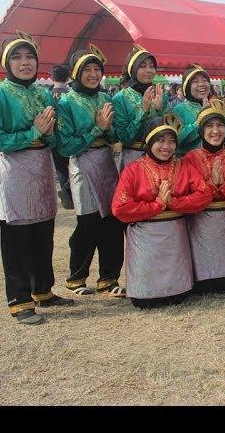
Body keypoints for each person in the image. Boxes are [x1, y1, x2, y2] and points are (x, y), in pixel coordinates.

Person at [0, 31, 74, 325]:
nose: (25, 63)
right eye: (17, 57)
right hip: (15, 171)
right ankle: (19, 301)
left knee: (43, 232)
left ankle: (43, 290)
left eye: (30, 56)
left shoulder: (43, 93)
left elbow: (55, 132)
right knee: (17, 236)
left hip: (42, 168)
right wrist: (34, 132)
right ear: (8, 63)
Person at [112, 116, 213, 308]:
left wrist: (173, 202)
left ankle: (179, 288)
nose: (167, 146)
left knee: (178, 294)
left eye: (172, 141)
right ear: (149, 141)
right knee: (145, 299)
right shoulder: (133, 169)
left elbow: (204, 194)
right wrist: (156, 205)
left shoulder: (184, 166)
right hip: (145, 238)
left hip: (175, 235)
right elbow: (120, 208)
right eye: (161, 140)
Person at [56, 44, 126, 297]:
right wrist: (97, 129)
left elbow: (116, 134)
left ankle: (109, 278)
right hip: (82, 164)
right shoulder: (66, 103)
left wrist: (107, 130)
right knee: (87, 222)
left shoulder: (106, 98)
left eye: (97, 69)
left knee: (111, 222)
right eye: (87, 69)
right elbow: (65, 145)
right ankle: (77, 278)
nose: (93, 74)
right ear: (76, 72)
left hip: (106, 162)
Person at [183, 99, 225, 294]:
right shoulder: (190, 158)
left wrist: (223, 185)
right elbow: (187, 193)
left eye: (220, 125)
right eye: (209, 126)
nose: (215, 131)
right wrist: (212, 185)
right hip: (199, 219)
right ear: (201, 131)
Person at [112, 44, 170, 170]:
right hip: (132, 158)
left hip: (159, 157)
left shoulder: (161, 95)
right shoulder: (120, 98)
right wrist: (143, 110)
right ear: (132, 70)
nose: (149, 70)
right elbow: (125, 138)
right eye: (143, 66)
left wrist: (160, 110)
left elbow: (170, 132)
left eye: (152, 66)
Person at [172, 65, 225, 155]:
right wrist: (201, 118)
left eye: (204, 80)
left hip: (218, 160)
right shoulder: (179, 109)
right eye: (195, 81)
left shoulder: (219, 106)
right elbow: (177, 139)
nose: (201, 84)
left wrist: (222, 122)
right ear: (187, 87)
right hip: (189, 163)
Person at [49, 64, 74, 209]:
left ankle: (67, 193)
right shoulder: (72, 96)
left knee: (60, 167)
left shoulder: (47, 95)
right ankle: (68, 190)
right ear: (68, 77)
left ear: (51, 77)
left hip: (54, 138)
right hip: (71, 137)